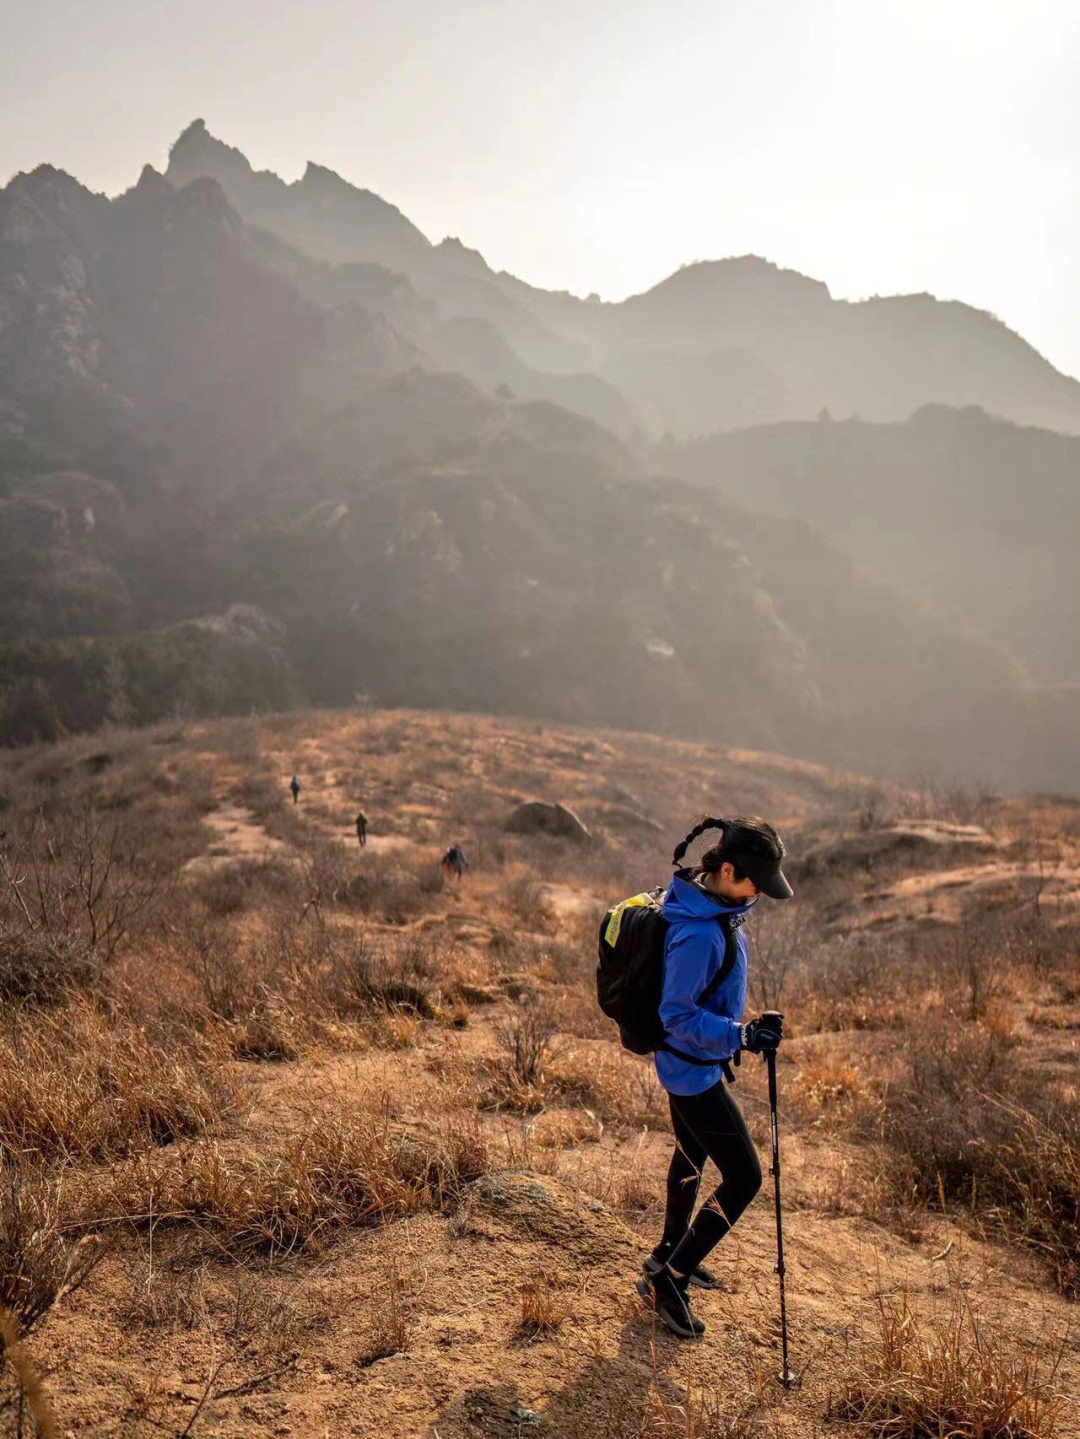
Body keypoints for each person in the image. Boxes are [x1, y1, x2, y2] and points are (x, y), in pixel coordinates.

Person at [637, 816, 792, 1339]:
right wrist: (740, 1037)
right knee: (746, 1178)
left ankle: (666, 1254)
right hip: (691, 1069)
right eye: (755, 883)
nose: (760, 895)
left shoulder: (716, 907)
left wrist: (744, 1027)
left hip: (689, 1064)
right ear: (727, 870)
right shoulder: (701, 931)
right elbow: (676, 1015)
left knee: (690, 1153)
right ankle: (671, 1282)